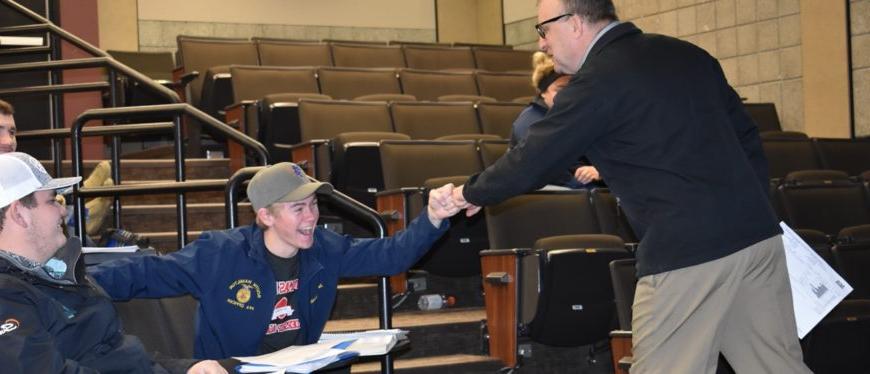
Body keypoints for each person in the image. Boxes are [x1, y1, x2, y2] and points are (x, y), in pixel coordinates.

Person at [451, 0, 811, 373]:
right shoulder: (686, 54)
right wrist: (752, 210)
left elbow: (534, 158)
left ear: (573, 23)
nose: (542, 44)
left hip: (686, 255)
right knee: (775, 366)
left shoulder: (597, 80)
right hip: (758, 240)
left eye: (543, 30)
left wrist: (469, 193)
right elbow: (748, 138)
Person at [90, 162, 461, 360]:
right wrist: (67, 279)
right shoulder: (219, 254)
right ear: (265, 216)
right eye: (298, 208)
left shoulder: (323, 248)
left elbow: (390, 255)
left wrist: (433, 218)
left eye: (314, 204)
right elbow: (145, 272)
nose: (311, 216)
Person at [0, 152, 226, 373]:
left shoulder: (57, 275)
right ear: (20, 214)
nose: (62, 210)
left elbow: (115, 354)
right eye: (52, 201)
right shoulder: (7, 294)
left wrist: (185, 368)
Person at [0, 99, 113, 237]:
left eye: (12, 132)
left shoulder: (16, 169)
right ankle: (81, 216)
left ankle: (73, 207)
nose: (9, 141)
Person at [510, 52, 601, 188]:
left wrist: (600, 171)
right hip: (556, 191)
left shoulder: (581, 115)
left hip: (586, 187)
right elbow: (545, 169)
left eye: (572, 88)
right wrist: (589, 180)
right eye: (560, 89)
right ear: (543, 92)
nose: (568, 94)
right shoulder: (530, 123)